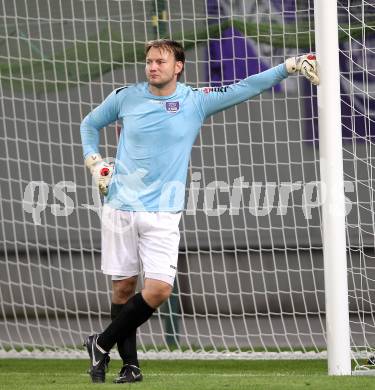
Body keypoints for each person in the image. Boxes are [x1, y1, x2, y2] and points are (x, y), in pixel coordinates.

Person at [80, 39, 319, 383]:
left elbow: (246, 86)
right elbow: (89, 124)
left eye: (160, 61)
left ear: (178, 66)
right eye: (149, 61)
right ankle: (129, 366)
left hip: (163, 212)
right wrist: (95, 162)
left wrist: (289, 66)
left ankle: (100, 344)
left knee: (159, 290)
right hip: (119, 207)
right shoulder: (125, 97)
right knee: (122, 289)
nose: (152, 67)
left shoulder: (195, 101)